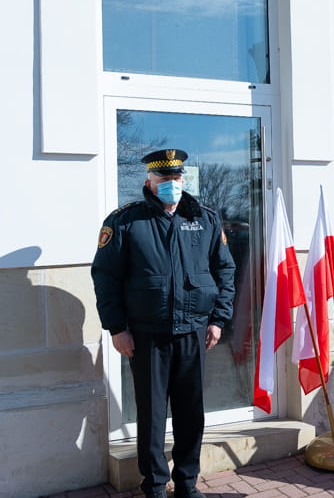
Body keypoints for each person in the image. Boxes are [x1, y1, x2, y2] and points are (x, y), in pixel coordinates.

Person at [92, 149, 236, 498]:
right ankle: (155, 485)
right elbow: (105, 276)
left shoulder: (204, 218)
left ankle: (187, 483)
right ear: (149, 182)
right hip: (146, 334)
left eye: (176, 178)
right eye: (163, 179)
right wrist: (117, 328)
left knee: (191, 412)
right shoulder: (124, 221)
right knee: (152, 414)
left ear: (183, 180)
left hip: (194, 332)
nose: (171, 184)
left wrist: (218, 320)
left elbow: (225, 270)